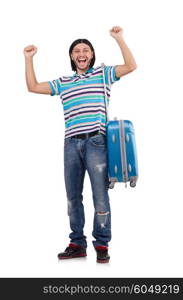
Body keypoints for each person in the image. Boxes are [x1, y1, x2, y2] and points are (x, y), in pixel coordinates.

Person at [24, 26, 137, 263]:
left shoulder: (102, 75)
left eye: (86, 50)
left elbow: (130, 66)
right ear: (72, 57)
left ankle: (102, 243)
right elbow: (33, 87)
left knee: (100, 196)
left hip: (97, 142)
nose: (81, 53)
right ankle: (77, 243)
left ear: (92, 55)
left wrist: (119, 39)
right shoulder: (63, 82)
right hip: (71, 144)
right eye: (77, 51)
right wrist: (28, 59)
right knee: (73, 196)